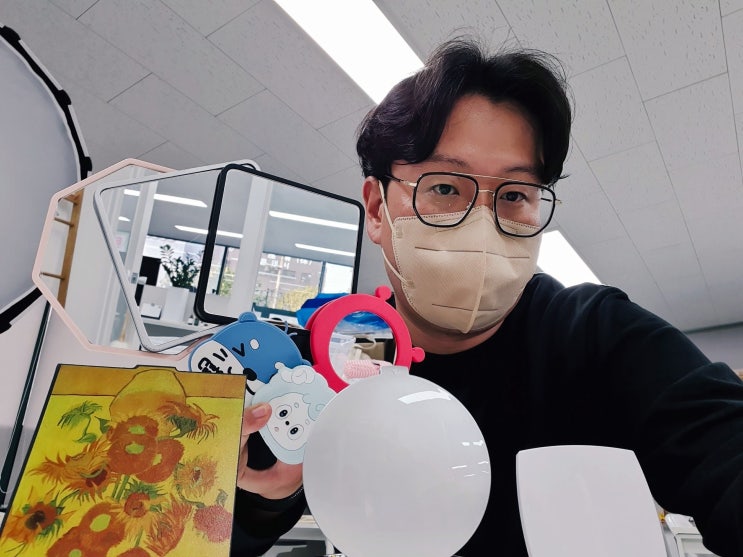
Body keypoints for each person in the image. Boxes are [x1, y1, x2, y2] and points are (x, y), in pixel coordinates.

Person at [230, 36, 743, 556]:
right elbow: (216, 530)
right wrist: (262, 496)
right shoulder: (346, 352)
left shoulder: (593, 336)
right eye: (445, 188)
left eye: (515, 194)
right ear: (378, 208)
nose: (483, 224)